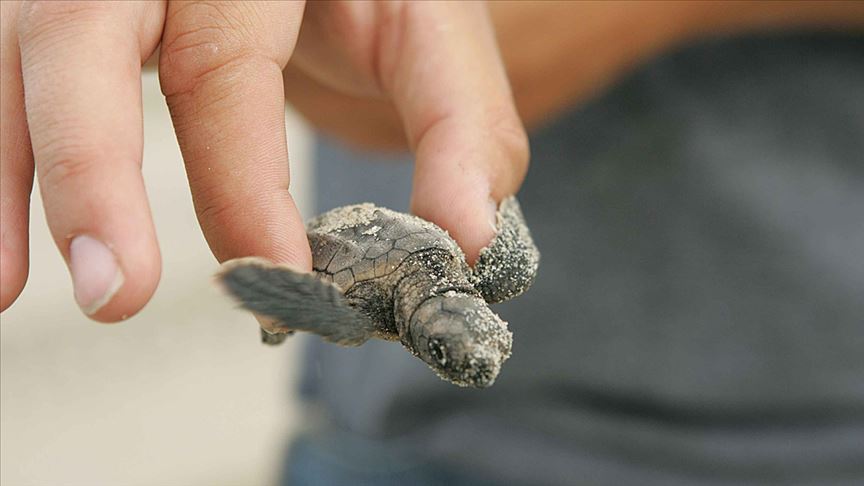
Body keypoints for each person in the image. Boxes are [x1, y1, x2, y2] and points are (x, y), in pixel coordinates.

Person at [2, 2, 863, 485]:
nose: (477, 349)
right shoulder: (468, 265)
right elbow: (374, 117)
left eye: (466, 346)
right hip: (421, 454)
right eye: (469, 342)